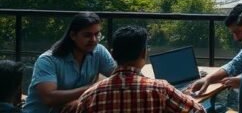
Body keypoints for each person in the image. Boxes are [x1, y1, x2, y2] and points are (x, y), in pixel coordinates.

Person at [72, 25, 204, 113]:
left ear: (112, 54)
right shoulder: (160, 89)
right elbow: (198, 111)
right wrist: (184, 97)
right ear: (143, 53)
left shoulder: (89, 96)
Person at [23, 12, 116, 113]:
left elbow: (119, 76)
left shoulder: (99, 51)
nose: (93, 40)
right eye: (87, 35)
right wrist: (90, 90)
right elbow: (49, 98)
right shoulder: (48, 60)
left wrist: (81, 99)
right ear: (72, 35)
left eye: (97, 34)